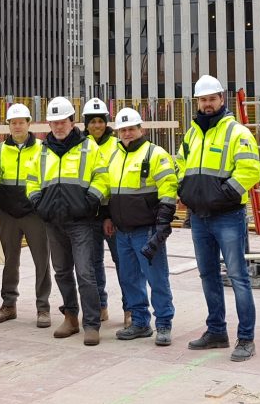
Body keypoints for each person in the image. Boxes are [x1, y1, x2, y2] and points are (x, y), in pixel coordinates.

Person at [176, 75, 260, 362]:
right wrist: (183, 190)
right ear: (197, 102)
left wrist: (222, 195)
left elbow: (250, 171)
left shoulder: (238, 132)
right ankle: (216, 331)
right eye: (203, 100)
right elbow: (180, 166)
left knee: (238, 277)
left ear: (221, 99)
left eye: (212, 98)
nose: (207, 104)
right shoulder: (191, 134)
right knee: (207, 275)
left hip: (228, 216)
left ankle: (246, 338)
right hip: (199, 217)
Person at [26, 96, 107, 346]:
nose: (58, 127)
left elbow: (103, 179)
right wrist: (40, 205)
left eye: (63, 122)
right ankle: (70, 317)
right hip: (53, 222)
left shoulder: (89, 147)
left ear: (72, 122)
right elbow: (31, 182)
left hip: (81, 222)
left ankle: (91, 324)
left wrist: (88, 203)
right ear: (48, 125)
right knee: (62, 271)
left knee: (85, 272)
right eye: (54, 122)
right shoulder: (41, 151)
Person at [100, 108, 177, 347]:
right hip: (122, 231)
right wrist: (107, 216)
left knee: (157, 279)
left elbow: (169, 188)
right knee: (130, 279)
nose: (127, 133)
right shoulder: (114, 156)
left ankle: (163, 323)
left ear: (140, 129)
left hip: (147, 230)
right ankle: (140, 322)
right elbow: (107, 190)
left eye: (131, 129)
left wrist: (162, 223)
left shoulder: (155, 154)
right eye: (123, 130)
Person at [0, 103, 52, 328]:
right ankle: (9, 304)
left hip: (34, 214)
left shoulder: (43, 149)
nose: (17, 126)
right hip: (9, 214)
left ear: (29, 123)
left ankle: (43, 307)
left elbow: (49, 180)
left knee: (41, 260)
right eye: (13, 123)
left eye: (21, 122)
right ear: (9, 125)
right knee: (10, 260)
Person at [81, 97, 130, 327]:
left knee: (122, 262)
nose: (97, 125)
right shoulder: (80, 146)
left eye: (101, 121)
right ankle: (101, 305)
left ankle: (130, 308)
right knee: (93, 263)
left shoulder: (116, 146)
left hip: (113, 213)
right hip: (88, 214)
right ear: (86, 124)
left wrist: (109, 214)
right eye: (92, 122)